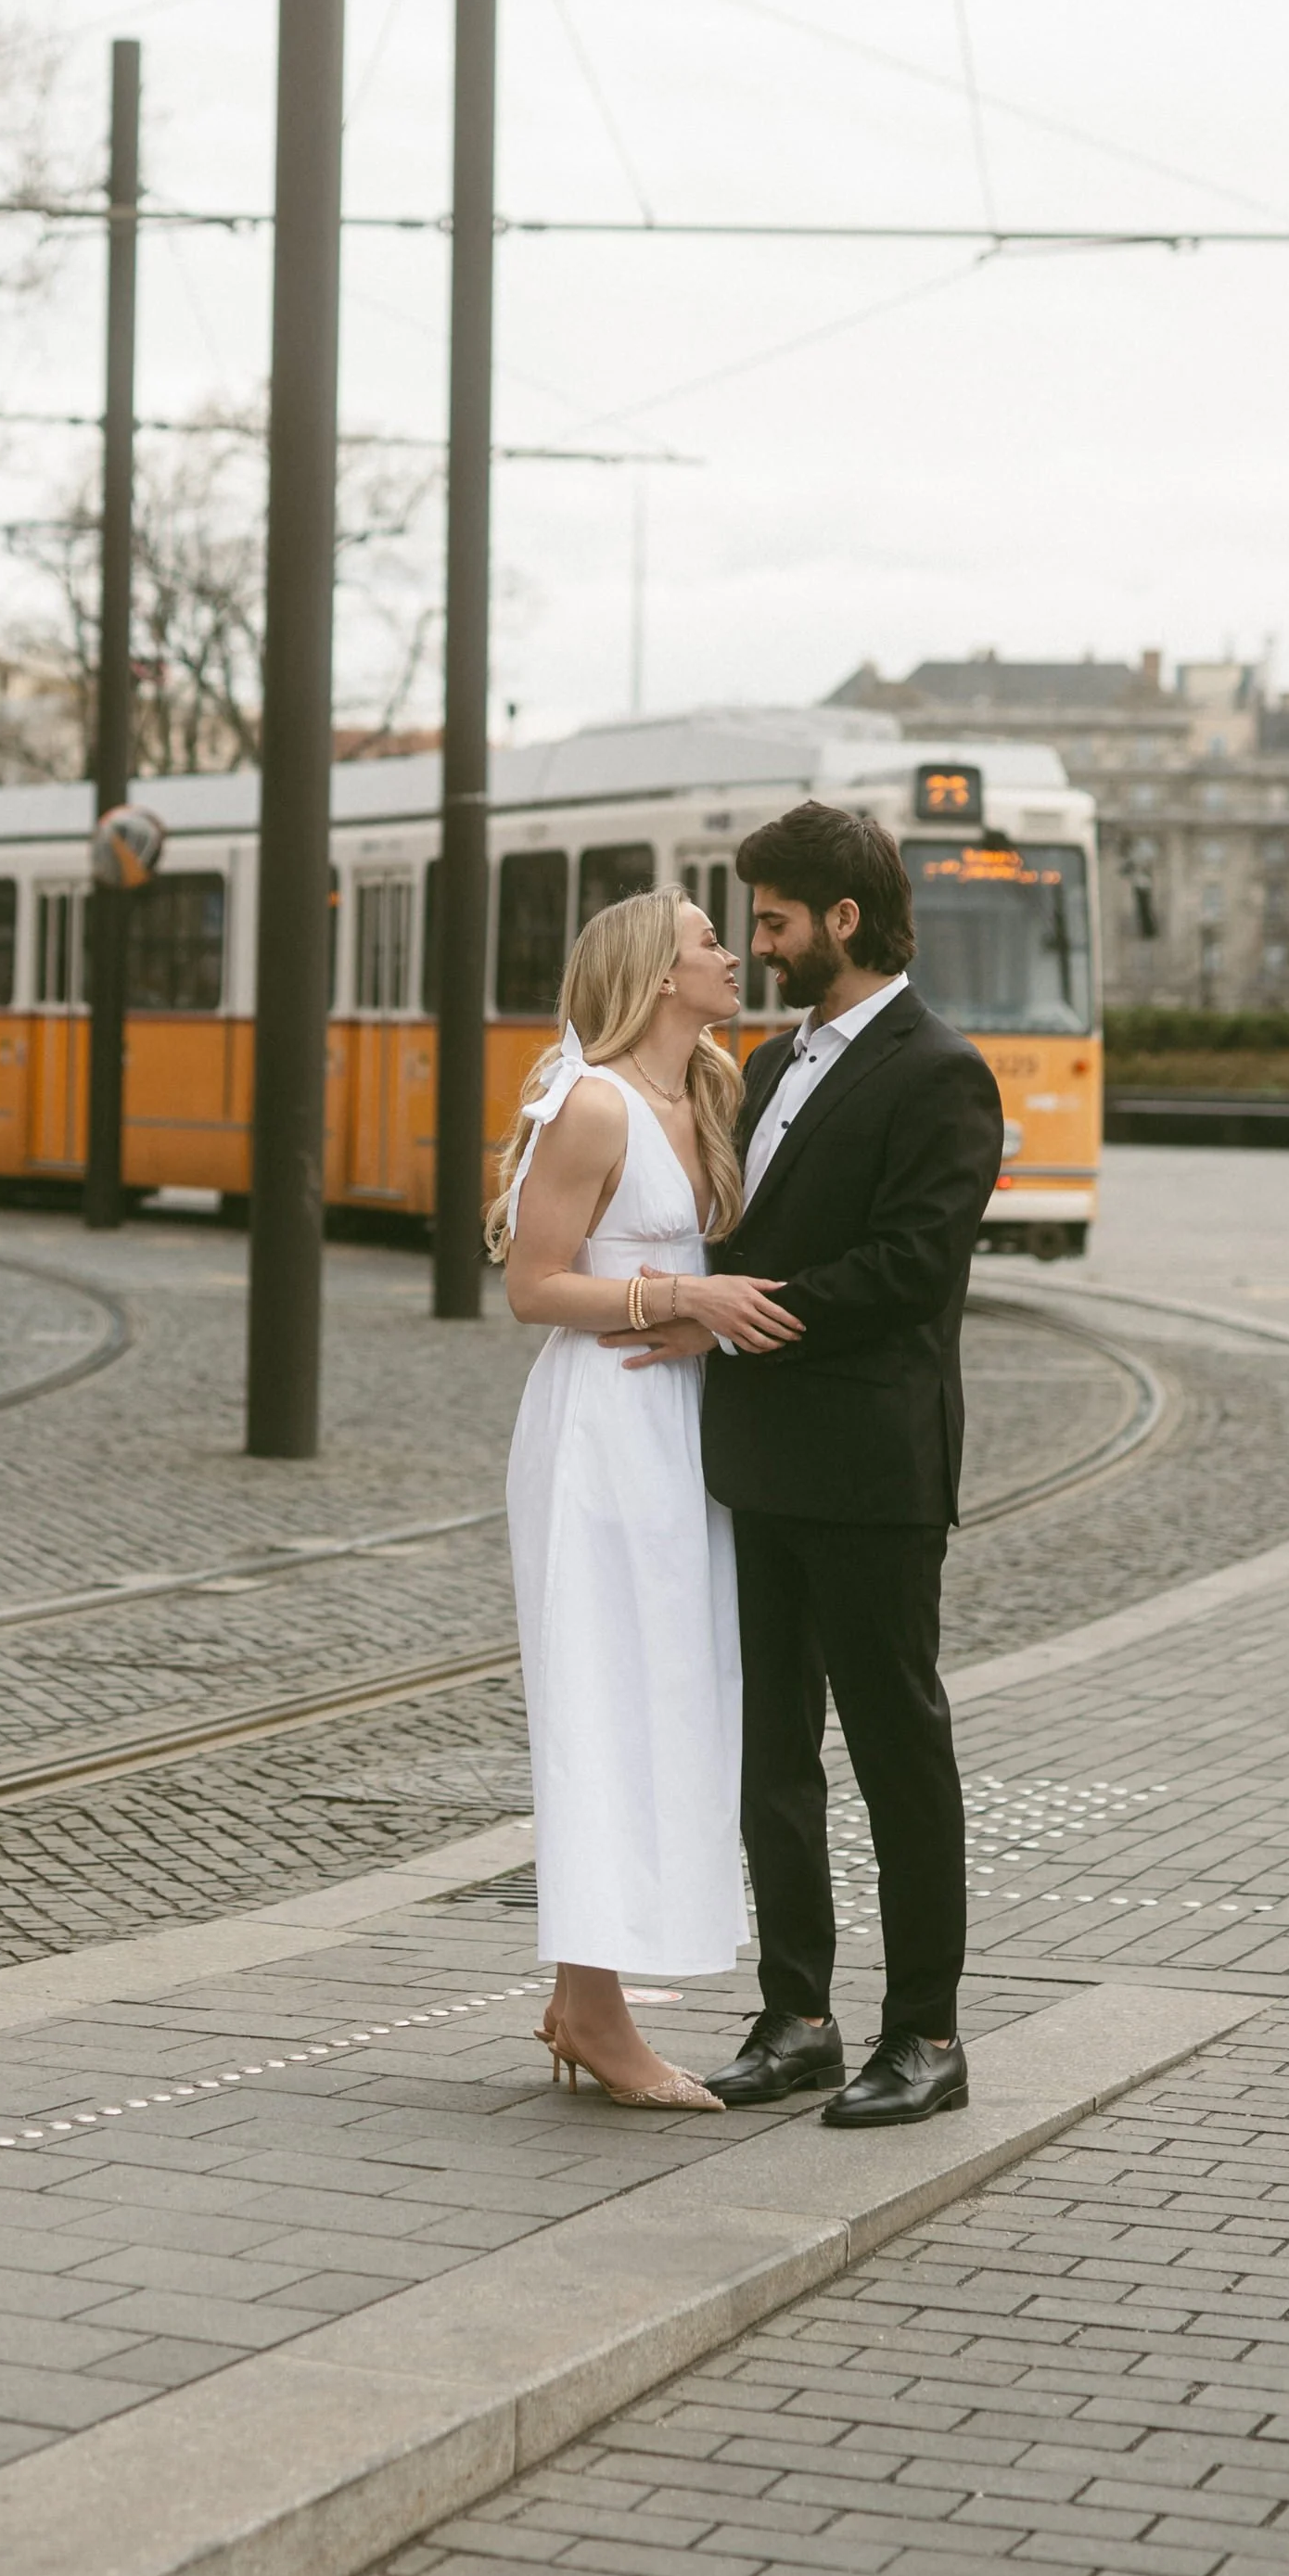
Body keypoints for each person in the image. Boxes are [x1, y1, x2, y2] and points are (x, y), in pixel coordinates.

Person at [612, 802, 1002, 2130]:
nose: (760, 941)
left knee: (900, 1746)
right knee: (770, 1748)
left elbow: (914, 1265)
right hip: (761, 1458)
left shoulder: (943, 1069)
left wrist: (742, 1309)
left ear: (844, 917)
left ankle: (928, 2031)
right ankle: (799, 2015)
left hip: (872, 1469)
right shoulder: (770, 1066)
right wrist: (686, 1299)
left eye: (773, 919)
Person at [491, 886, 802, 2108]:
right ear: (658, 975)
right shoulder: (594, 1103)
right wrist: (679, 1301)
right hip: (600, 1430)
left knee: (668, 1693)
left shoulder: (708, 1090)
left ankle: (584, 1995)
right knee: (602, 1700)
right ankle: (602, 2018)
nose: (732, 955)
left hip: (675, 1423)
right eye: (709, 943)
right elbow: (532, 1286)